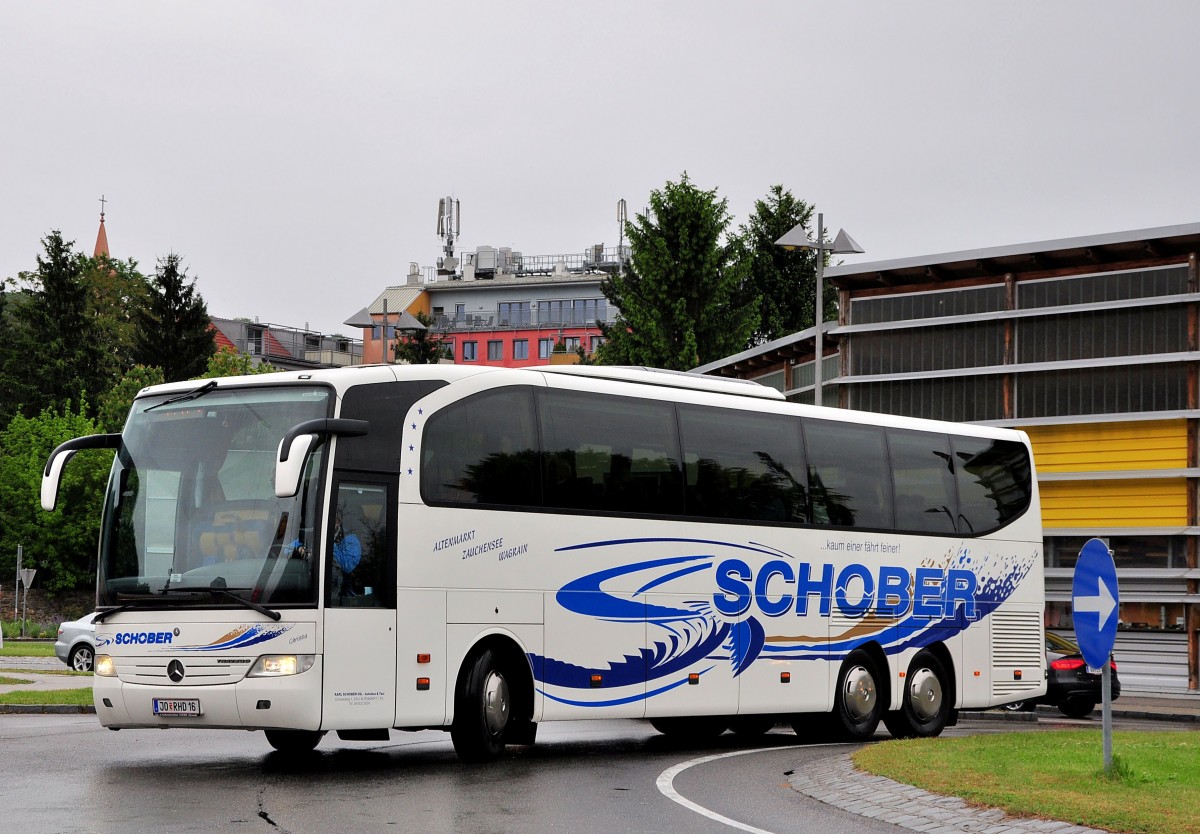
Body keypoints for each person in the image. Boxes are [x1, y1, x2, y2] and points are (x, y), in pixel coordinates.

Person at [330, 509, 362, 599]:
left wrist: (329, 547)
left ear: (339, 521)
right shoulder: (317, 533)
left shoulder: (351, 539)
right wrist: (300, 547)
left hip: (342, 593)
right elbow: (289, 547)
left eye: (333, 519)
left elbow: (347, 567)